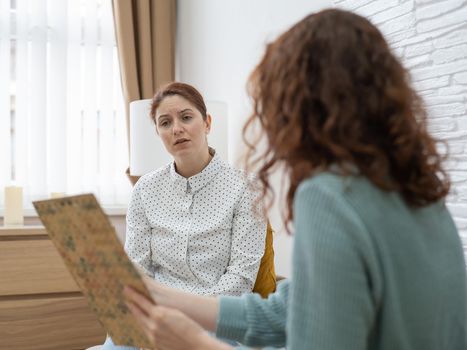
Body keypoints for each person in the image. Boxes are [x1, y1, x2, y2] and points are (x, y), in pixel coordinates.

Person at [123, 8, 467, 350]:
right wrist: (161, 296)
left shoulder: (329, 197)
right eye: (165, 122)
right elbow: (294, 310)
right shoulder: (419, 190)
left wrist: (193, 342)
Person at [102, 82, 267, 349]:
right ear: (158, 132)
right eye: (165, 123)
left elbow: (240, 279)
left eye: (186, 117)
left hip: (214, 316)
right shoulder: (145, 189)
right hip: (154, 313)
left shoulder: (247, 188)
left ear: (207, 123)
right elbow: (137, 267)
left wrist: (186, 312)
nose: (176, 128)